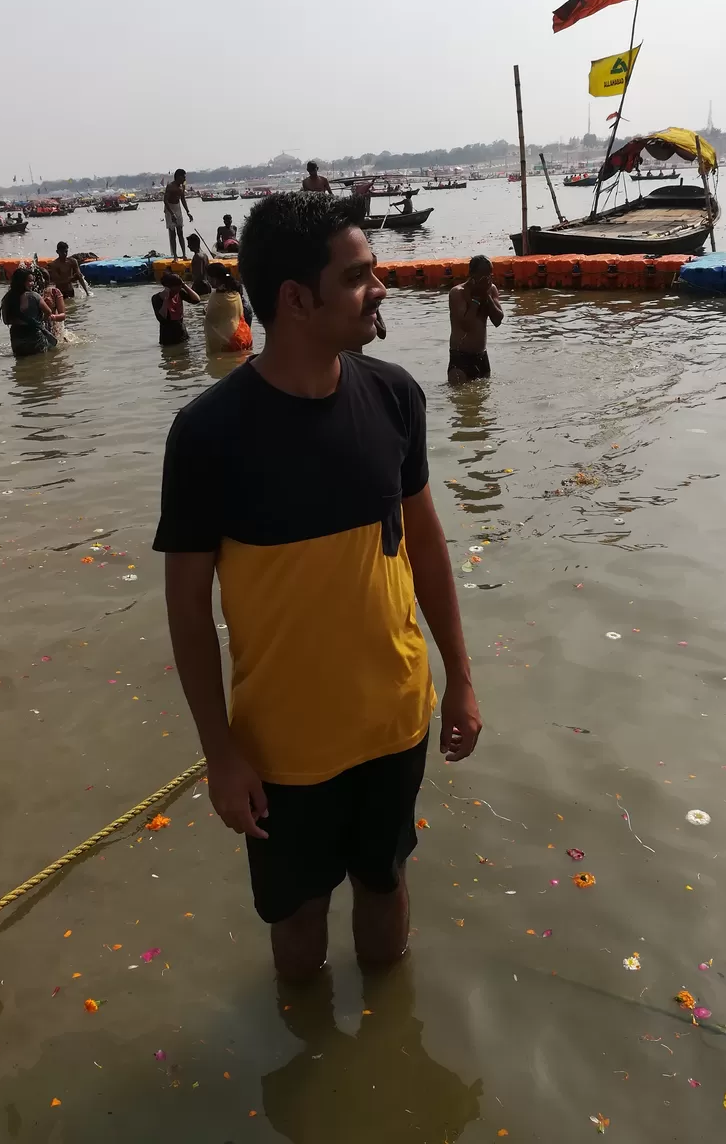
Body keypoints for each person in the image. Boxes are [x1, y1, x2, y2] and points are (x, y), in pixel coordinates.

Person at [154, 191, 482, 980]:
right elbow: (188, 614)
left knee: (386, 881)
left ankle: (382, 1041)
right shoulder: (207, 436)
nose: (381, 289)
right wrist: (219, 753)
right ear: (296, 300)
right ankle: (307, 1051)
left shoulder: (395, 396)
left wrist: (461, 679)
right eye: (360, 276)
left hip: (396, 721)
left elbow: (427, 548)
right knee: (298, 917)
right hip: (283, 750)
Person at [447, 255, 504, 383]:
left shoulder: (491, 289)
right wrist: (476, 300)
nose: (487, 279)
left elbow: (498, 320)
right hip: (460, 358)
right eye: (483, 276)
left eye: (489, 275)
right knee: (460, 398)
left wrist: (486, 296)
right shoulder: (457, 293)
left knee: (483, 399)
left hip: (482, 357)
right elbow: (466, 325)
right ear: (472, 275)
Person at [0, 266, 61, 357]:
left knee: (20, 366)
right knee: (41, 364)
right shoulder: (34, 296)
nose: (32, 284)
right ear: (21, 282)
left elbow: (6, 321)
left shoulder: (7, 298)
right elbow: (48, 312)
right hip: (34, 337)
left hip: (17, 339)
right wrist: (39, 322)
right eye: (30, 281)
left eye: (33, 281)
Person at [202, 262, 253, 353]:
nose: (208, 280)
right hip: (244, 335)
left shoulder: (216, 296)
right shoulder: (235, 291)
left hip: (229, 342)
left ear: (215, 279)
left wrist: (205, 311)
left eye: (209, 277)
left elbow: (210, 318)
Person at [151, 271, 201, 346]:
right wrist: (166, 300)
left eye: (180, 287)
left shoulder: (180, 293)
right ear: (168, 287)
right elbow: (162, 318)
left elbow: (196, 300)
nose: (178, 290)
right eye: (176, 288)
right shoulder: (156, 298)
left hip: (182, 333)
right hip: (167, 337)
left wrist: (184, 285)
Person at [164, 168, 193, 259]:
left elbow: (183, 199)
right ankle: (175, 256)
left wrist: (188, 212)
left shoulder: (182, 186)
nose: (184, 179)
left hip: (177, 207)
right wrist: (172, 214)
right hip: (169, 208)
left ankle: (184, 255)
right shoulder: (170, 186)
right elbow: (165, 200)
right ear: (178, 177)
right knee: (172, 233)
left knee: (180, 231)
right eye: (183, 177)